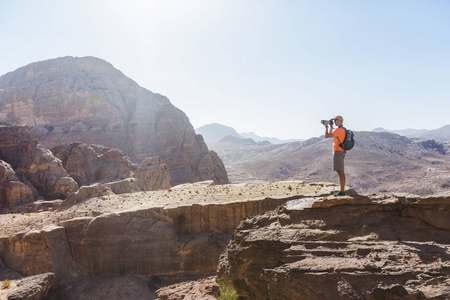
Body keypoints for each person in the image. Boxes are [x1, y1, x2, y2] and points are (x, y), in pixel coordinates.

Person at [324, 115, 346, 196]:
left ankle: (342, 191)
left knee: (340, 172)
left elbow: (326, 136)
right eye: (334, 120)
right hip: (341, 151)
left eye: (336, 120)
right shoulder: (341, 129)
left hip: (338, 152)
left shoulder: (340, 130)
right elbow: (331, 135)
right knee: (340, 171)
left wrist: (326, 127)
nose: (335, 122)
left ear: (340, 121)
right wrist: (331, 127)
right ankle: (342, 190)